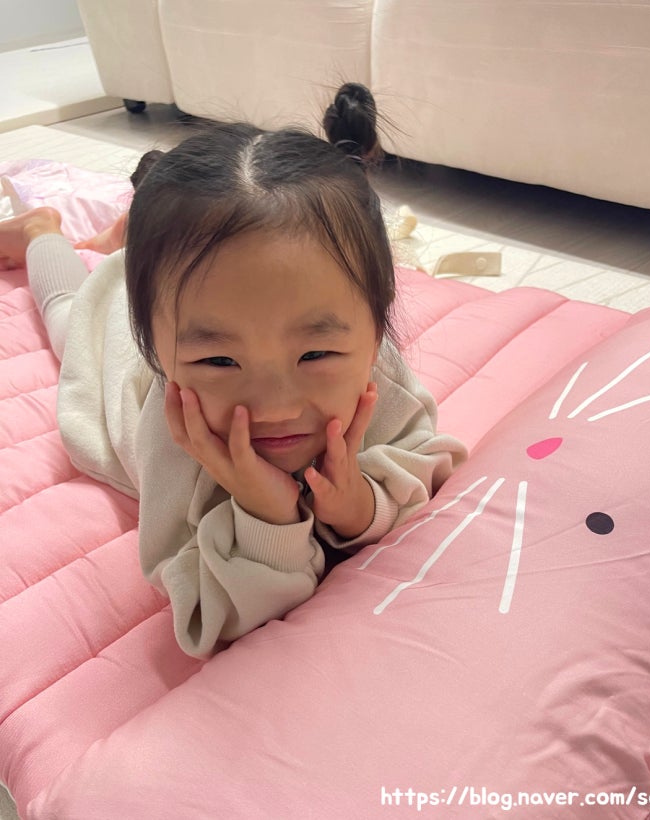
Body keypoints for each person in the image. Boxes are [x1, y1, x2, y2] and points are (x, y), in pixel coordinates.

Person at [0, 83, 467, 657]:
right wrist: (266, 516)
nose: (276, 407)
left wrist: (356, 504)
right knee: (71, 315)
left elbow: (425, 462)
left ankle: (129, 238)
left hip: (184, 302)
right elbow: (211, 609)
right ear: (157, 352)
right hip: (126, 329)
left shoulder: (375, 370)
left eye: (315, 355)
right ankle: (42, 231)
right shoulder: (175, 439)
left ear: (376, 327)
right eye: (219, 361)